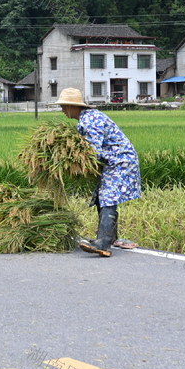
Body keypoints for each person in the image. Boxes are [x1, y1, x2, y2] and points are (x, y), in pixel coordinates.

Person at [56, 88, 142, 257]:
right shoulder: (86, 119)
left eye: (64, 106)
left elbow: (92, 151)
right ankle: (110, 238)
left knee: (108, 197)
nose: (62, 110)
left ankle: (103, 243)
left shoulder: (90, 120)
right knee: (102, 196)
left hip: (120, 161)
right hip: (111, 161)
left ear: (73, 106)